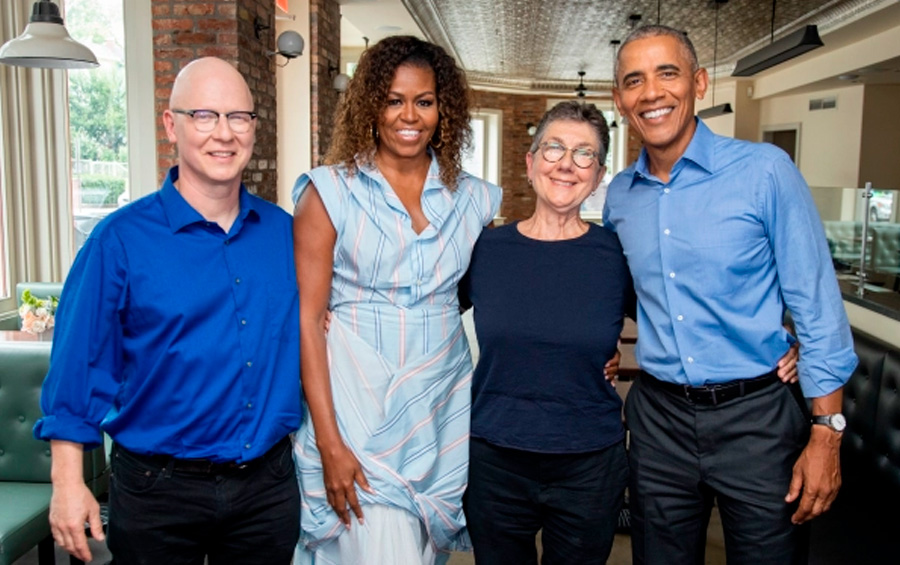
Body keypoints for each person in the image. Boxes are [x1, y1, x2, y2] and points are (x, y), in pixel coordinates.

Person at [604, 25, 859, 564]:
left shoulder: (765, 171)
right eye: (634, 80)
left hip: (758, 420)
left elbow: (816, 303)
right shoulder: (620, 198)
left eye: (666, 73)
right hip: (659, 421)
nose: (651, 92)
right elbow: (634, 298)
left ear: (698, 82)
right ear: (619, 99)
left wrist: (826, 430)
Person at [34, 57, 302, 564]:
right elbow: (78, 369)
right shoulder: (118, 241)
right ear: (170, 124)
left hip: (266, 490)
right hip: (158, 491)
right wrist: (67, 483)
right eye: (204, 115)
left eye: (238, 117)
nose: (224, 134)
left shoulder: (286, 235)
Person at [291, 35, 502, 564]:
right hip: (354, 399)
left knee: (418, 546)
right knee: (376, 542)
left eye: (424, 101)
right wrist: (330, 442)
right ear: (371, 105)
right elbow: (307, 318)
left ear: (443, 108)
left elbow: (504, 297)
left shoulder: (474, 199)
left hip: (440, 400)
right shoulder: (328, 192)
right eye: (393, 99)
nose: (410, 115)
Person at [459, 101, 633, 564]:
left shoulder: (616, 255)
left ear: (598, 176)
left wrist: (777, 344)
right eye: (553, 147)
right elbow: (420, 314)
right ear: (530, 162)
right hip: (495, 459)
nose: (566, 164)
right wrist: (336, 314)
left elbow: (677, 319)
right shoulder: (486, 249)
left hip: (589, 463)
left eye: (584, 154)